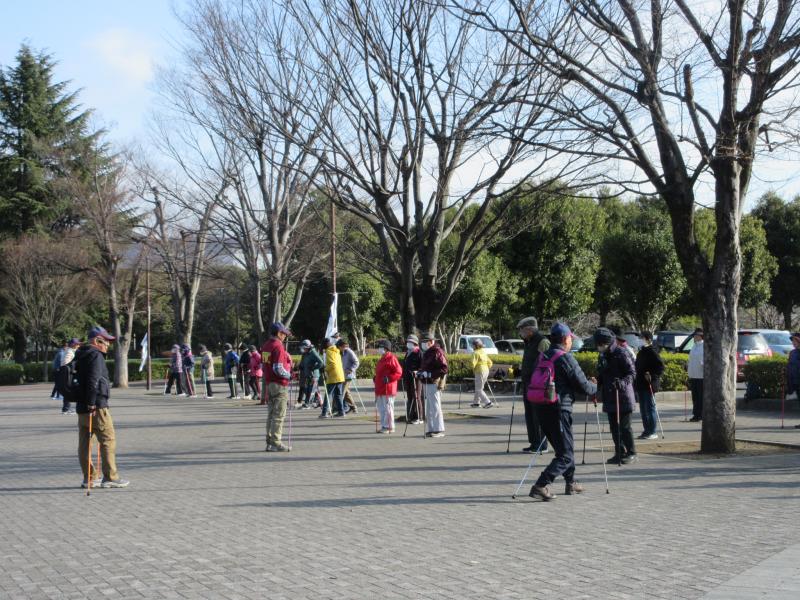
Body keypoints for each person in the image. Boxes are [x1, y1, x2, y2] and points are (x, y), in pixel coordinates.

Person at [529, 323, 598, 501]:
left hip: (540, 407)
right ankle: (541, 485)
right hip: (559, 409)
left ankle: (571, 482)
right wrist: (595, 386)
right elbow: (583, 386)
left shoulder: (543, 355)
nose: (571, 342)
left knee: (564, 448)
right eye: (570, 339)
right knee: (565, 455)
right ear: (566, 339)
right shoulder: (565, 358)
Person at [74, 326, 129, 489]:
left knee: (85, 444)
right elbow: (94, 380)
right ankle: (110, 477)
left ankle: (89, 477)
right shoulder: (96, 355)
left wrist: (87, 403)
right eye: (106, 341)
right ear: (97, 341)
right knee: (108, 440)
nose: (108, 345)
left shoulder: (80, 354)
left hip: (81, 406)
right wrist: (92, 402)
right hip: (96, 406)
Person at [595, 327, 637, 465]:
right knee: (614, 427)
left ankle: (631, 453)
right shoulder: (603, 355)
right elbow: (602, 374)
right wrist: (596, 383)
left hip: (623, 395)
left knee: (624, 427)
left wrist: (622, 383)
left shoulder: (621, 352)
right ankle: (619, 452)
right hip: (609, 395)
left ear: (606, 343)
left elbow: (632, 373)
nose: (598, 347)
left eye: (600, 344)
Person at [518, 316, 550, 453]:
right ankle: (534, 442)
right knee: (529, 414)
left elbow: (546, 364)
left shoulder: (542, 341)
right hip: (527, 383)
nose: (520, 333)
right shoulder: (528, 342)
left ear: (530, 330)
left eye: (522, 330)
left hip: (538, 385)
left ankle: (542, 444)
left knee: (538, 415)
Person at [261, 322, 293, 451]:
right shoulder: (278, 346)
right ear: (279, 333)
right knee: (279, 415)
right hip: (279, 384)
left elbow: (265, 365)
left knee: (271, 414)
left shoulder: (266, 345)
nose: (285, 336)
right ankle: (276, 442)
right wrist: (289, 375)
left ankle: (269, 442)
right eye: (284, 334)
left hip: (269, 383)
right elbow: (278, 368)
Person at [417, 332, 448, 437]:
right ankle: (431, 429)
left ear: (430, 342)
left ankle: (439, 429)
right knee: (429, 408)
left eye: (424, 342)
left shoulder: (437, 352)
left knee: (435, 406)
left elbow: (444, 368)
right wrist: (420, 372)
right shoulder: (428, 352)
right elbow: (425, 367)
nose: (422, 344)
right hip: (427, 381)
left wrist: (430, 373)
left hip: (434, 382)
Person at [634, 332, 664, 440]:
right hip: (641, 383)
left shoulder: (652, 351)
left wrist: (651, 375)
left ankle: (652, 431)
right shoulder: (641, 352)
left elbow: (660, 367)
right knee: (643, 409)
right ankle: (646, 430)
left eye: (641, 338)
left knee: (650, 408)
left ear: (648, 339)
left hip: (649, 383)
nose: (639, 340)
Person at [373, 339, 403, 433]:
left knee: (388, 408)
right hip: (380, 387)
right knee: (381, 408)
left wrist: (389, 378)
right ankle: (384, 426)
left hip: (388, 387)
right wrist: (376, 377)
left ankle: (389, 426)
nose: (379, 349)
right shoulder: (382, 358)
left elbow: (399, 372)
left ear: (386, 349)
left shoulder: (391, 358)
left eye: (381, 347)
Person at [401, 334, 423, 424]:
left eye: (410, 342)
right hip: (408, 378)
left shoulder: (419, 353)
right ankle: (411, 416)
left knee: (416, 397)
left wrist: (417, 371)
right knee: (410, 397)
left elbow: (422, 366)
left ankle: (419, 417)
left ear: (415, 343)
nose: (408, 343)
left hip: (416, 378)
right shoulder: (408, 352)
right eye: (408, 342)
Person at [55, 338, 81, 414]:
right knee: (69, 390)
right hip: (68, 374)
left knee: (68, 390)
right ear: (73, 344)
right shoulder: (69, 351)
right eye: (77, 344)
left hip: (67, 373)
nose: (78, 345)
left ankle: (66, 408)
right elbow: (65, 362)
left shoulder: (69, 351)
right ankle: (66, 409)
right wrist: (73, 368)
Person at [322, 338, 346, 417]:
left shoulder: (329, 351)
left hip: (333, 376)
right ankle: (341, 412)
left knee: (328, 394)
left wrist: (325, 369)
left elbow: (332, 364)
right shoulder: (337, 351)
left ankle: (324, 412)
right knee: (338, 394)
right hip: (340, 375)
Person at [297, 339, 323, 409]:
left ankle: (307, 404)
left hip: (313, 375)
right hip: (308, 374)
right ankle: (320, 403)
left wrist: (313, 367)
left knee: (310, 390)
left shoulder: (313, 352)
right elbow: (305, 362)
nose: (303, 349)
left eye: (304, 347)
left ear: (308, 347)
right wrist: (301, 366)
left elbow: (321, 362)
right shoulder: (306, 353)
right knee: (314, 389)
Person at [337, 339, 361, 414]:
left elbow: (356, 362)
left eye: (343, 346)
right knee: (346, 393)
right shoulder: (339, 352)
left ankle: (339, 410)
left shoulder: (349, 352)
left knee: (341, 392)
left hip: (348, 376)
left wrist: (351, 369)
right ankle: (353, 407)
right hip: (341, 375)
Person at [470, 338, 494, 408]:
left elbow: (472, 364)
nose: (472, 346)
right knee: (479, 387)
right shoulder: (483, 352)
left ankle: (488, 402)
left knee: (479, 389)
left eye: (473, 345)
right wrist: (486, 368)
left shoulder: (475, 353)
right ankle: (476, 403)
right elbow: (490, 363)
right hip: (486, 371)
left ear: (476, 346)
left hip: (479, 371)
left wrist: (473, 369)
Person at [687, 327, 704, 422]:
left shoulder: (704, 346)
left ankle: (701, 414)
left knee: (700, 397)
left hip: (701, 376)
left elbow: (705, 360)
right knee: (695, 397)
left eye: (696, 335)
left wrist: (702, 364)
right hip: (693, 375)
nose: (694, 337)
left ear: (700, 336)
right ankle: (696, 414)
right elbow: (691, 359)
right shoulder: (694, 346)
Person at [787, 333, 800, 429]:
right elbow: (790, 366)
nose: (793, 343)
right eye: (792, 341)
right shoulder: (792, 353)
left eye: (795, 341)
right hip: (795, 381)